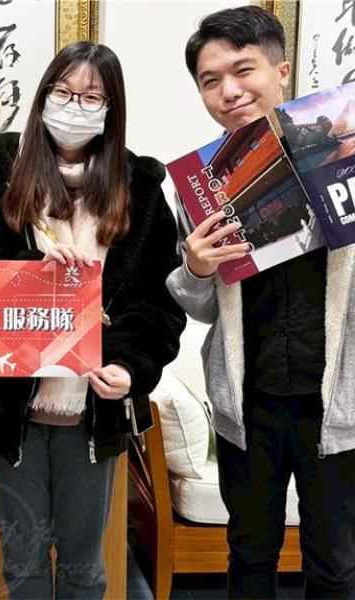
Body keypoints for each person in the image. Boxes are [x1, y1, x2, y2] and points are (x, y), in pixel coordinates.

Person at [0, 41, 186, 599]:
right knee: (23, 565)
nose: (73, 106)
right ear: (42, 97)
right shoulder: (1, 173)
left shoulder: (141, 189)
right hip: (8, 404)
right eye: (62, 92)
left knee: (85, 567)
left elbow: (158, 304)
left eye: (91, 97)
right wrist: (29, 271)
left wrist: (130, 366)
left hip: (93, 411)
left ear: (111, 108)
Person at [166, 6, 355, 598]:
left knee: (336, 563)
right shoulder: (202, 183)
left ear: (282, 71)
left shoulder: (342, 149)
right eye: (210, 80)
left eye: (243, 70)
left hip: (337, 401)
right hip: (250, 402)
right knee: (249, 554)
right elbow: (200, 307)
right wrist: (196, 267)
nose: (229, 91)